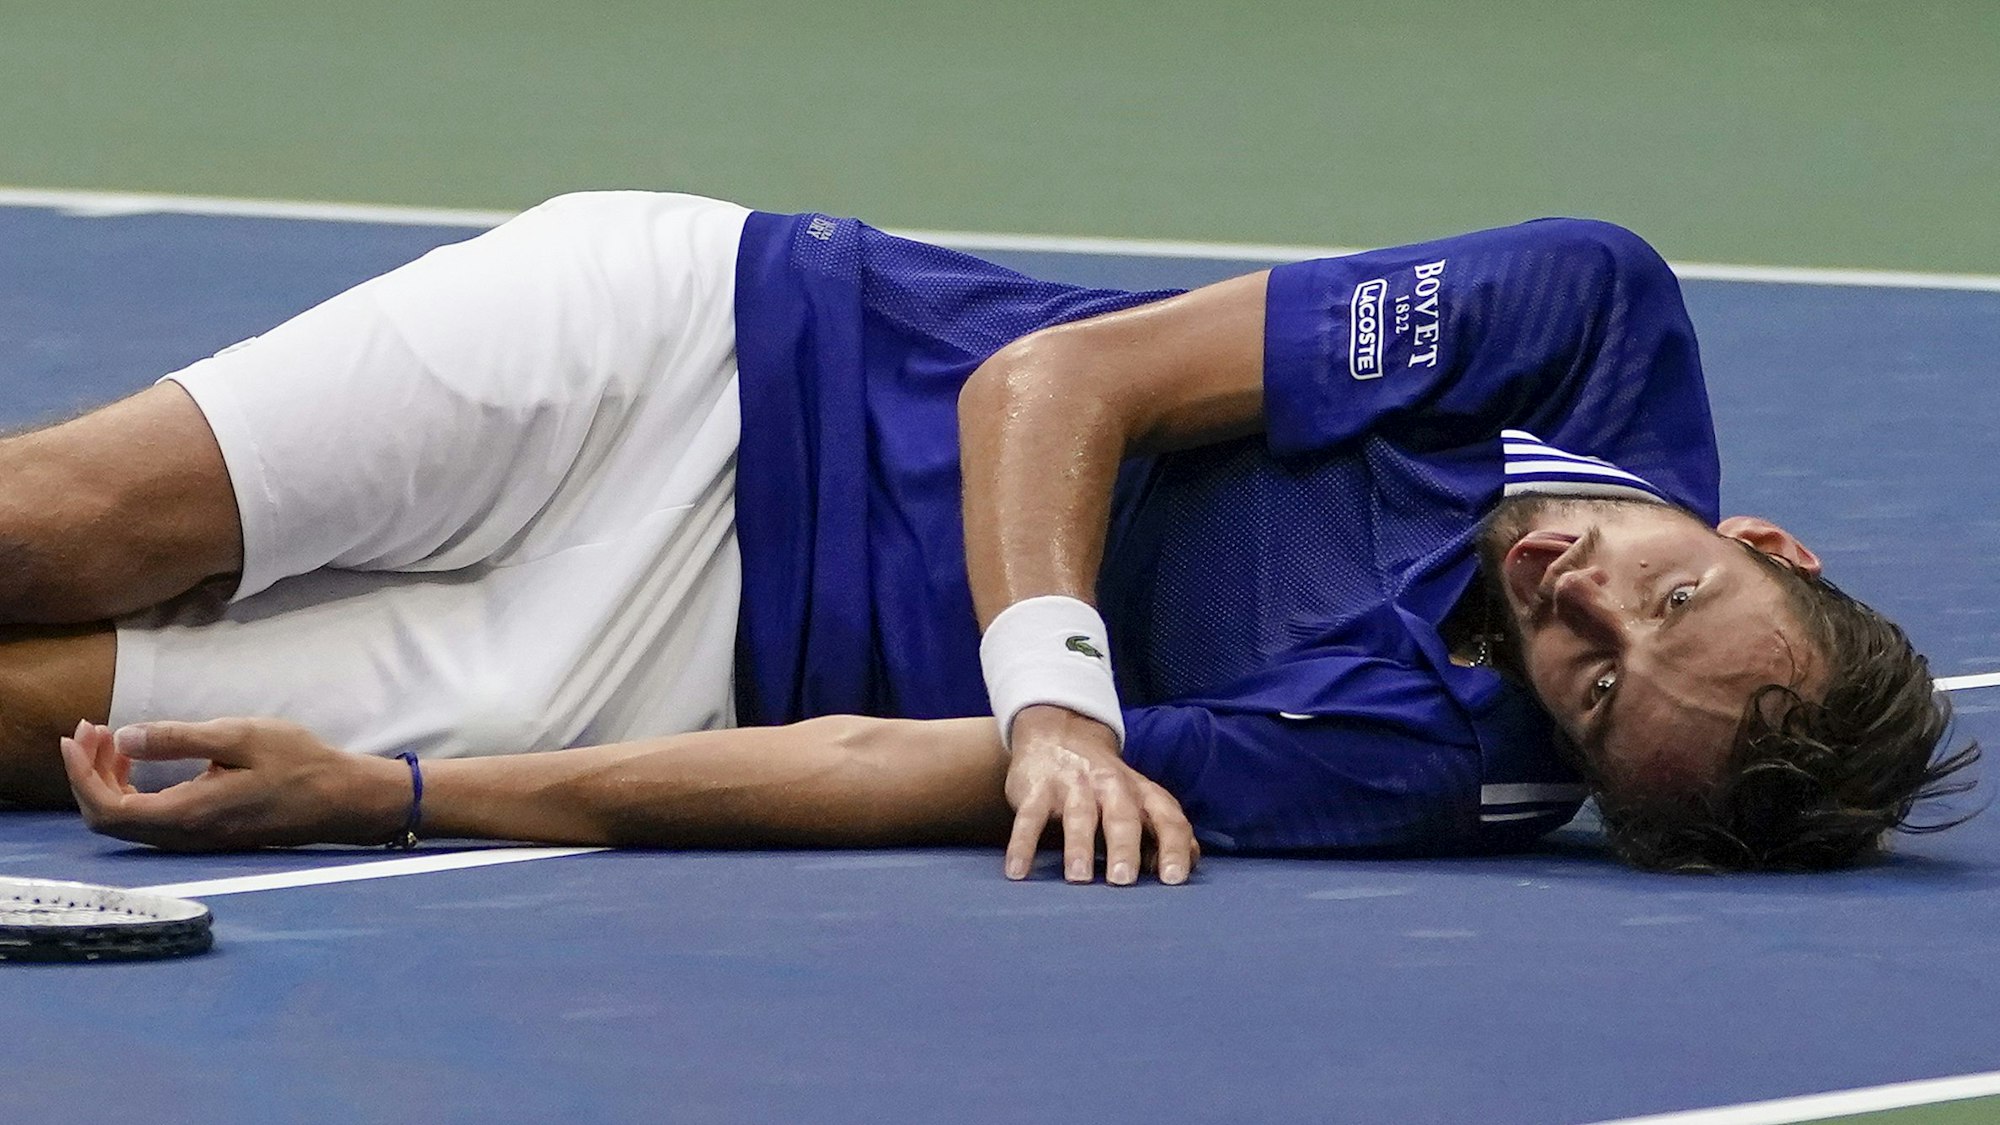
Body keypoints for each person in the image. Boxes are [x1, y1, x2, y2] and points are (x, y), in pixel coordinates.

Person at [2, 192, 1975, 881]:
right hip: (698, 346)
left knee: (42, 724)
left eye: (1597, 683)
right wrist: (1058, 704)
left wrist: (403, 789)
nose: (1585, 603)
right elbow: (1051, 385)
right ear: (1763, 532)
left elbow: (886, 767)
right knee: (52, 524)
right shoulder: (1585, 314)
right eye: (1672, 584)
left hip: (677, 661)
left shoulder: (1412, 765)